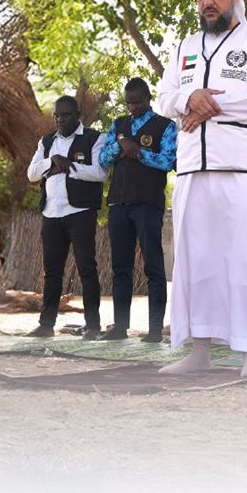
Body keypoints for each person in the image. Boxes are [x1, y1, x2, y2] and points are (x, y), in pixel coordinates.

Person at [153, 0, 247, 378]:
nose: (207, 2)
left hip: (241, 168)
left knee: (242, 261)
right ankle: (199, 351)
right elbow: (164, 98)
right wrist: (188, 99)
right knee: (196, 262)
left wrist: (213, 104)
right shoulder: (185, 46)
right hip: (192, 168)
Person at [97, 77, 177, 342]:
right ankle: (120, 328)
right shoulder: (119, 124)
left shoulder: (165, 126)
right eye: (128, 102)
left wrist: (138, 151)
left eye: (137, 102)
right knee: (120, 268)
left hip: (147, 204)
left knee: (153, 267)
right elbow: (103, 158)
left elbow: (167, 161)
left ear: (148, 98)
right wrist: (121, 146)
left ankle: (154, 330)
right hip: (118, 203)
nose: (132, 107)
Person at [25, 95, 108, 340]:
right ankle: (46, 325)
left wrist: (68, 166)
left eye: (66, 115)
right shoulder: (47, 141)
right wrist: (52, 161)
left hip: (80, 212)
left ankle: (93, 326)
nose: (60, 120)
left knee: (87, 269)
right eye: (57, 116)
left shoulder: (95, 138)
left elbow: (101, 173)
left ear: (78, 115)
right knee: (52, 271)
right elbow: (31, 173)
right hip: (51, 213)